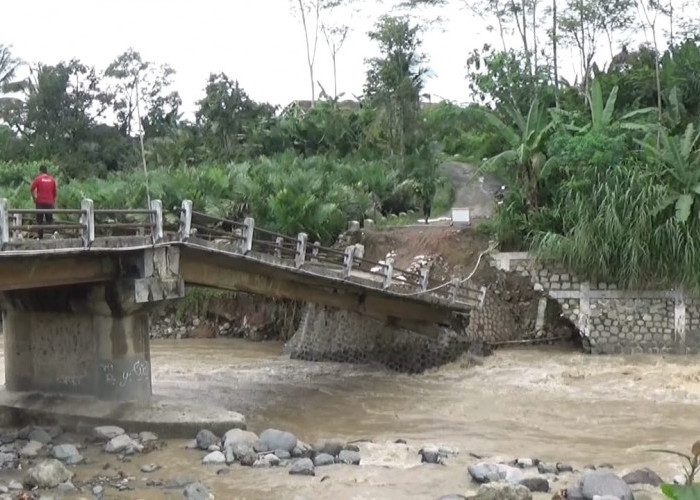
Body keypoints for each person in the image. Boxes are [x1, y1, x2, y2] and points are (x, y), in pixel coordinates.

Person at [30, 165, 57, 239]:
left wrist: (34, 198)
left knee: (39, 221)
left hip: (40, 202)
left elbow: (31, 189)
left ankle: (40, 237)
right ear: (46, 171)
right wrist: (53, 202)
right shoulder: (52, 179)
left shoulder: (38, 179)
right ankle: (54, 233)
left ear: (40, 171)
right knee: (50, 219)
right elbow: (55, 192)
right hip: (49, 202)